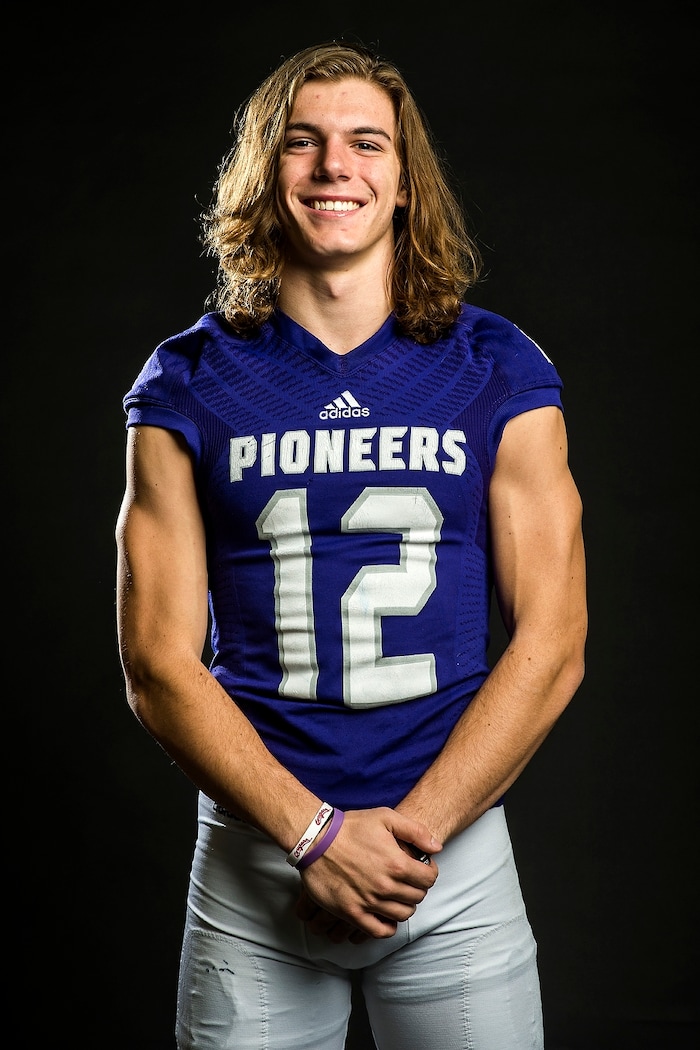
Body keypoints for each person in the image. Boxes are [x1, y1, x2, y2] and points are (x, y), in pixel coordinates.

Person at [115, 40, 587, 1050]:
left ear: (405, 180)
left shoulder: (495, 367)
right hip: (258, 862)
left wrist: (399, 845)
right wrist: (314, 834)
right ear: (262, 172)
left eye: (366, 143)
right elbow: (156, 663)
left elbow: (552, 640)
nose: (335, 169)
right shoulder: (186, 382)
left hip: (449, 866)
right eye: (302, 143)